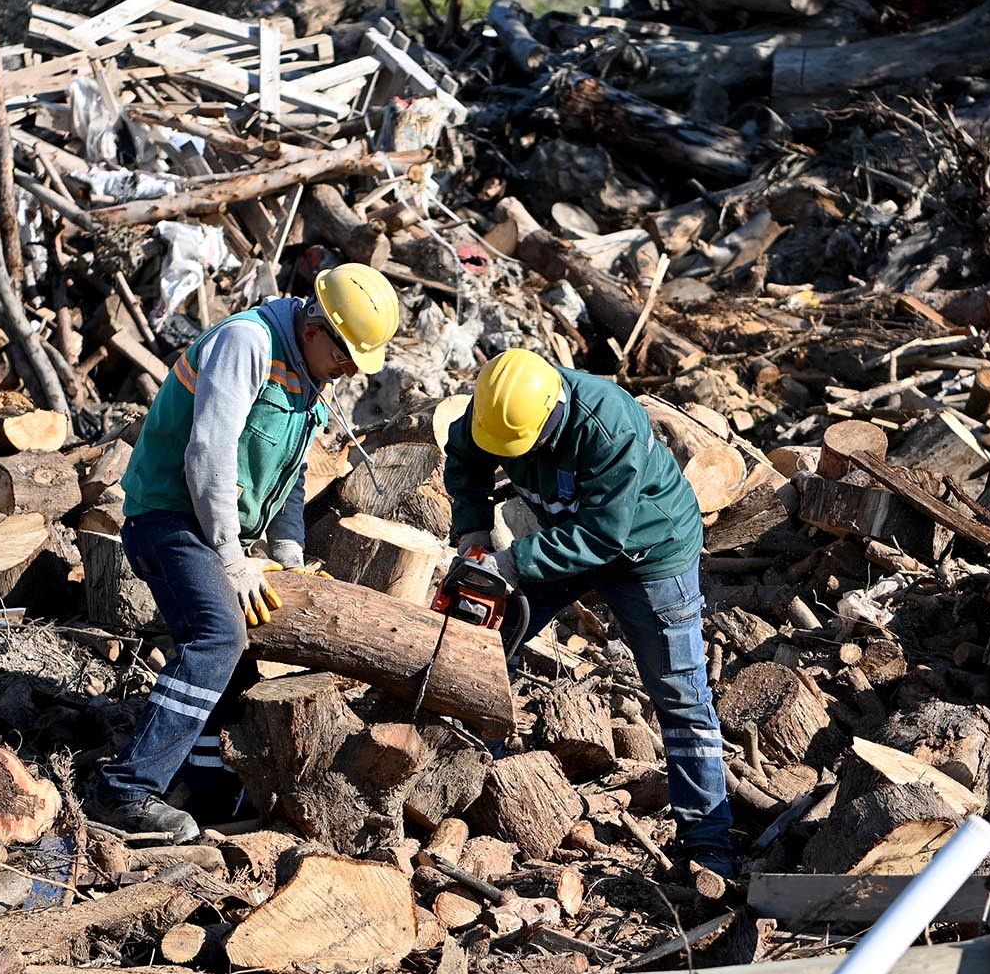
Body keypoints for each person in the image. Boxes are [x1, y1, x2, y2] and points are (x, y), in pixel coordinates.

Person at [90, 263, 402, 841]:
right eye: (346, 358)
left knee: (243, 645)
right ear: (315, 332)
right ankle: (125, 790)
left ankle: (209, 789)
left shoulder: (310, 379)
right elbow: (208, 452)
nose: (349, 372)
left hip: (207, 525)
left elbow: (292, 470)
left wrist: (286, 550)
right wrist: (233, 557)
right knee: (218, 636)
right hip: (168, 517)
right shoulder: (247, 343)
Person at [442, 348, 735, 876]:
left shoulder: (609, 424)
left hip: (650, 551)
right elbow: (465, 459)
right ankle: (467, 768)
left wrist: (513, 561)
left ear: (552, 415)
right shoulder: (497, 407)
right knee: (490, 631)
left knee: (681, 695)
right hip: (566, 532)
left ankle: (708, 842)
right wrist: (474, 532)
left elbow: (604, 536)